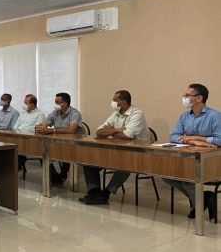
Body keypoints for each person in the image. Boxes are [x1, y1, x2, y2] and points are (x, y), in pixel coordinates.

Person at [79, 90, 150, 205]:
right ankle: (94, 193)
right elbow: (99, 132)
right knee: (88, 163)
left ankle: (106, 193)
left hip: (138, 154)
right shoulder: (115, 114)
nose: (112, 103)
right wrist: (117, 130)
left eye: (114, 100)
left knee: (125, 164)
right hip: (117, 150)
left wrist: (111, 131)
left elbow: (127, 136)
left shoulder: (137, 114)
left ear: (123, 102)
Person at [163, 84, 220, 220]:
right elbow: (173, 136)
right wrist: (191, 142)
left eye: (187, 96)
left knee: (188, 177)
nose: (184, 98)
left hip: (212, 161)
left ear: (199, 98)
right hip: (188, 159)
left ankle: (198, 205)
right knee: (165, 174)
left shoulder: (215, 116)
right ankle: (204, 199)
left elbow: (220, 139)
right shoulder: (184, 116)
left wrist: (196, 138)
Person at [36, 92, 83, 186]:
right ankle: (54, 177)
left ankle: (63, 175)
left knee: (66, 153)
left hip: (73, 144)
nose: (55, 104)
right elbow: (43, 125)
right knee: (42, 151)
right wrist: (41, 127)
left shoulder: (75, 113)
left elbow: (71, 130)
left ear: (64, 104)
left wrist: (51, 130)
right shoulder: (55, 112)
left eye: (57, 102)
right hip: (57, 142)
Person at [14, 94, 45, 170]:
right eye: (24, 102)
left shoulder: (40, 114)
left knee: (17, 149)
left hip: (30, 140)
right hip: (19, 137)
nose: (24, 105)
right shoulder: (23, 113)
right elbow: (15, 126)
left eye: (26, 103)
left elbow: (37, 130)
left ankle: (16, 167)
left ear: (32, 104)